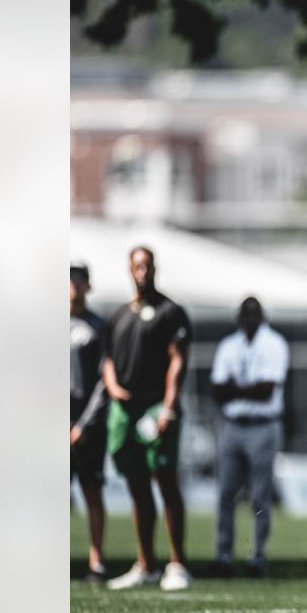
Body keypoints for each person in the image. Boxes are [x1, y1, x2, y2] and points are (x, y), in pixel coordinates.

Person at [103, 247, 194, 591]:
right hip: (126, 410)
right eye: (137, 266)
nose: (143, 271)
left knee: (166, 480)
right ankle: (146, 565)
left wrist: (169, 406)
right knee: (137, 486)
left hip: (156, 405)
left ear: (155, 269)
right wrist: (112, 386)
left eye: (148, 265)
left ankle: (178, 564)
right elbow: (109, 359)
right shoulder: (119, 316)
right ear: (130, 269)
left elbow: (178, 361)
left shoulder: (171, 312)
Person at [210, 296, 290, 579]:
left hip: (262, 425)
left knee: (260, 495)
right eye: (245, 314)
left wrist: (236, 388)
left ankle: (258, 555)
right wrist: (247, 389)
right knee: (225, 494)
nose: (249, 320)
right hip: (233, 424)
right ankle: (223, 555)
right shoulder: (229, 345)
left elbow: (267, 389)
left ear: (262, 316)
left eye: (254, 314)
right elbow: (218, 390)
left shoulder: (274, 344)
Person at [70, 263, 109, 583]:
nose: (72, 285)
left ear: (88, 286)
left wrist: (84, 423)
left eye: (78, 280)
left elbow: (103, 380)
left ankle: (97, 562)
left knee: (92, 490)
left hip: (87, 427)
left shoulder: (97, 326)